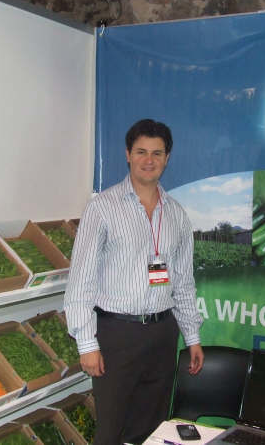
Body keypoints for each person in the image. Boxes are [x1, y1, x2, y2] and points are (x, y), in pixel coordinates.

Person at [64, 118, 204, 444]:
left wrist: (192, 336)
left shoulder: (177, 214)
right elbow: (81, 280)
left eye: (157, 153)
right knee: (111, 431)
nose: (149, 160)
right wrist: (87, 344)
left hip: (162, 334)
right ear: (128, 154)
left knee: (152, 429)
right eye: (141, 152)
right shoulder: (102, 208)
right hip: (117, 335)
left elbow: (183, 282)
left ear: (167, 158)